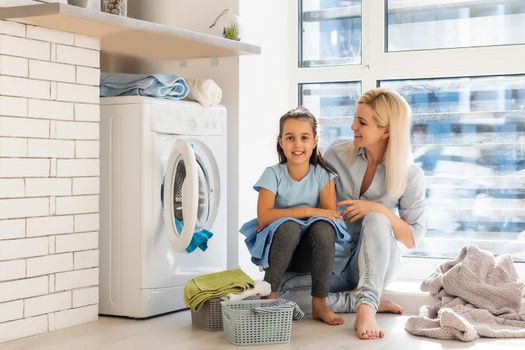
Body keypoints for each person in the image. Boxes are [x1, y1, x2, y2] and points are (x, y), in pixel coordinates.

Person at [277, 87, 425, 339]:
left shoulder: (410, 175)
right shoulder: (336, 154)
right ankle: (358, 301)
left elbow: (412, 238)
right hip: (331, 265)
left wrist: (379, 209)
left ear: (387, 130)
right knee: (278, 296)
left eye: (362, 122)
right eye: (355, 118)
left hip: (373, 266)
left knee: (377, 219)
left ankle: (366, 307)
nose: (353, 126)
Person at [240, 106, 348, 326]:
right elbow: (264, 218)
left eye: (304, 137)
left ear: (315, 141)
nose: (298, 144)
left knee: (323, 228)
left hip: (312, 253)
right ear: (281, 142)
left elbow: (330, 217)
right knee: (289, 227)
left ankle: (319, 303)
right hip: (282, 251)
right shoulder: (272, 174)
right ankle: (269, 297)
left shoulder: (323, 176)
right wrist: (308, 211)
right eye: (290, 138)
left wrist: (309, 215)